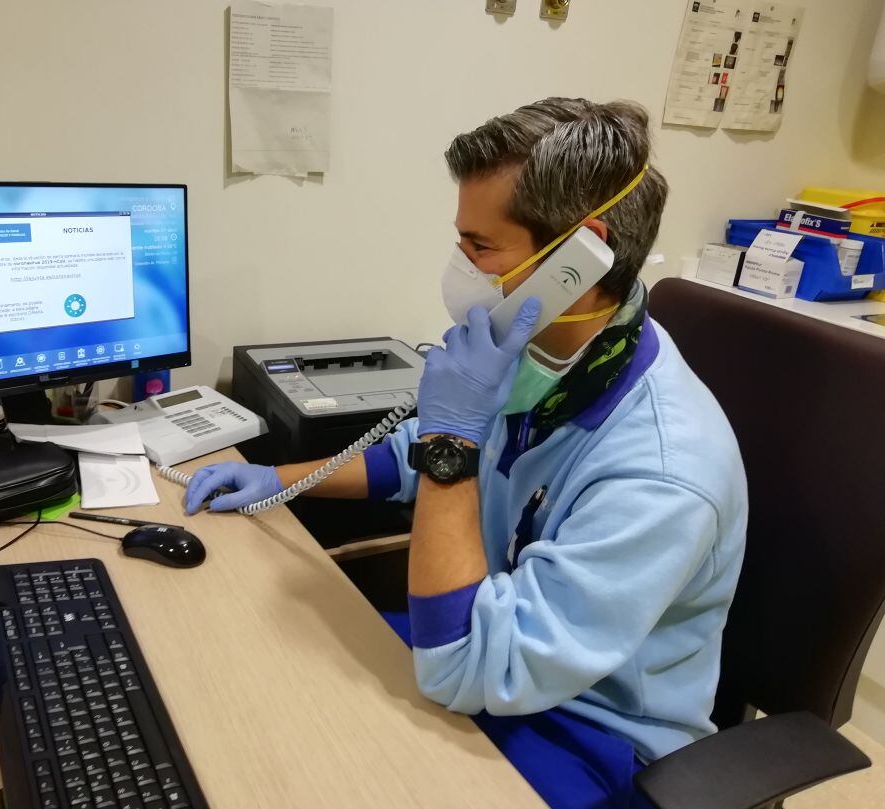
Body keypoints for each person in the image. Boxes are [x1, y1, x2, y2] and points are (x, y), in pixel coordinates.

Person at [184, 98, 748, 809]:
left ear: (580, 257)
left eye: (480, 247)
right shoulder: (547, 353)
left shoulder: (665, 468)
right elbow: (407, 456)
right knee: (265, 691)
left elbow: (461, 665)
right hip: (489, 648)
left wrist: (453, 441)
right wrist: (275, 478)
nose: (462, 268)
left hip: (599, 740)